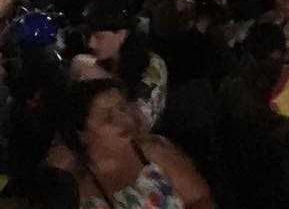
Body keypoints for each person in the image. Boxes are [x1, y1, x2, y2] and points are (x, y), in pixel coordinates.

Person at [46, 79, 213, 209]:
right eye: (107, 117)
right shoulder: (74, 183)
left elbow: (200, 199)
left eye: (122, 108)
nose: (123, 121)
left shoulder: (152, 151)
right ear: (82, 134)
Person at [71, 0, 169, 130]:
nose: (91, 44)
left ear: (122, 34)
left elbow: (140, 125)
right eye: (88, 36)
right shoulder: (94, 59)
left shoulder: (153, 65)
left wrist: (103, 79)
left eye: (99, 37)